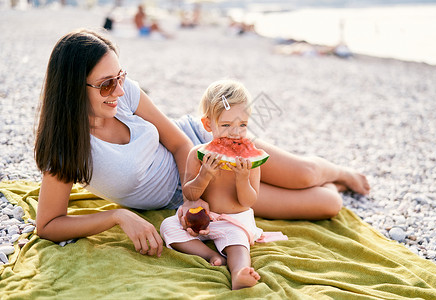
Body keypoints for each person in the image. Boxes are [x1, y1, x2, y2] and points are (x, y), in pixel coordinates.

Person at [34, 29, 370, 260]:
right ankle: (334, 184)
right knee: (326, 203)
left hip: (200, 149)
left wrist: (192, 191)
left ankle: (341, 171)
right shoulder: (66, 148)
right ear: (72, 88)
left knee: (305, 173)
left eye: (120, 77)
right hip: (201, 192)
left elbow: (180, 143)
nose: (119, 91)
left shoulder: (126, 94)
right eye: (107, 84)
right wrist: (117, 216)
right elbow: (48, 224)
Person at [160, 80, 282, 289]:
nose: (235, 133)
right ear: (208, 124)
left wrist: (242, 178)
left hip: (234, 222)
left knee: (238, 244)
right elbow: (189, 194)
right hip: (200, 220)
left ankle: (239, 273)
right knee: (168, 227)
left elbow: (249, 201)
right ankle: (211, 255)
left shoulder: (249, 161)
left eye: (242, 125)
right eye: (226, 125)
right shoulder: (197, 154)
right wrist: (204, 175)